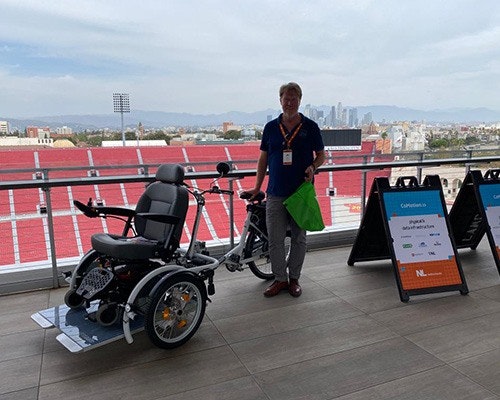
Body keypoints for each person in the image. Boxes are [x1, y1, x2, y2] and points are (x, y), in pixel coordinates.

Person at [247, 82, 325, 297]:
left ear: (300, 100)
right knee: (275, 239)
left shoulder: (310, 127)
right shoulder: (271, 127)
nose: (289, 102)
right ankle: (279, 279)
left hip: (301, 192)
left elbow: (321, 155)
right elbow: (263, 158)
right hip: (275, 192)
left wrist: (313, 166)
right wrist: (257, 186)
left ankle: (294, 279)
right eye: (286, 98)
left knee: (299, 238)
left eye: (294, 98)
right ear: (280, 100)